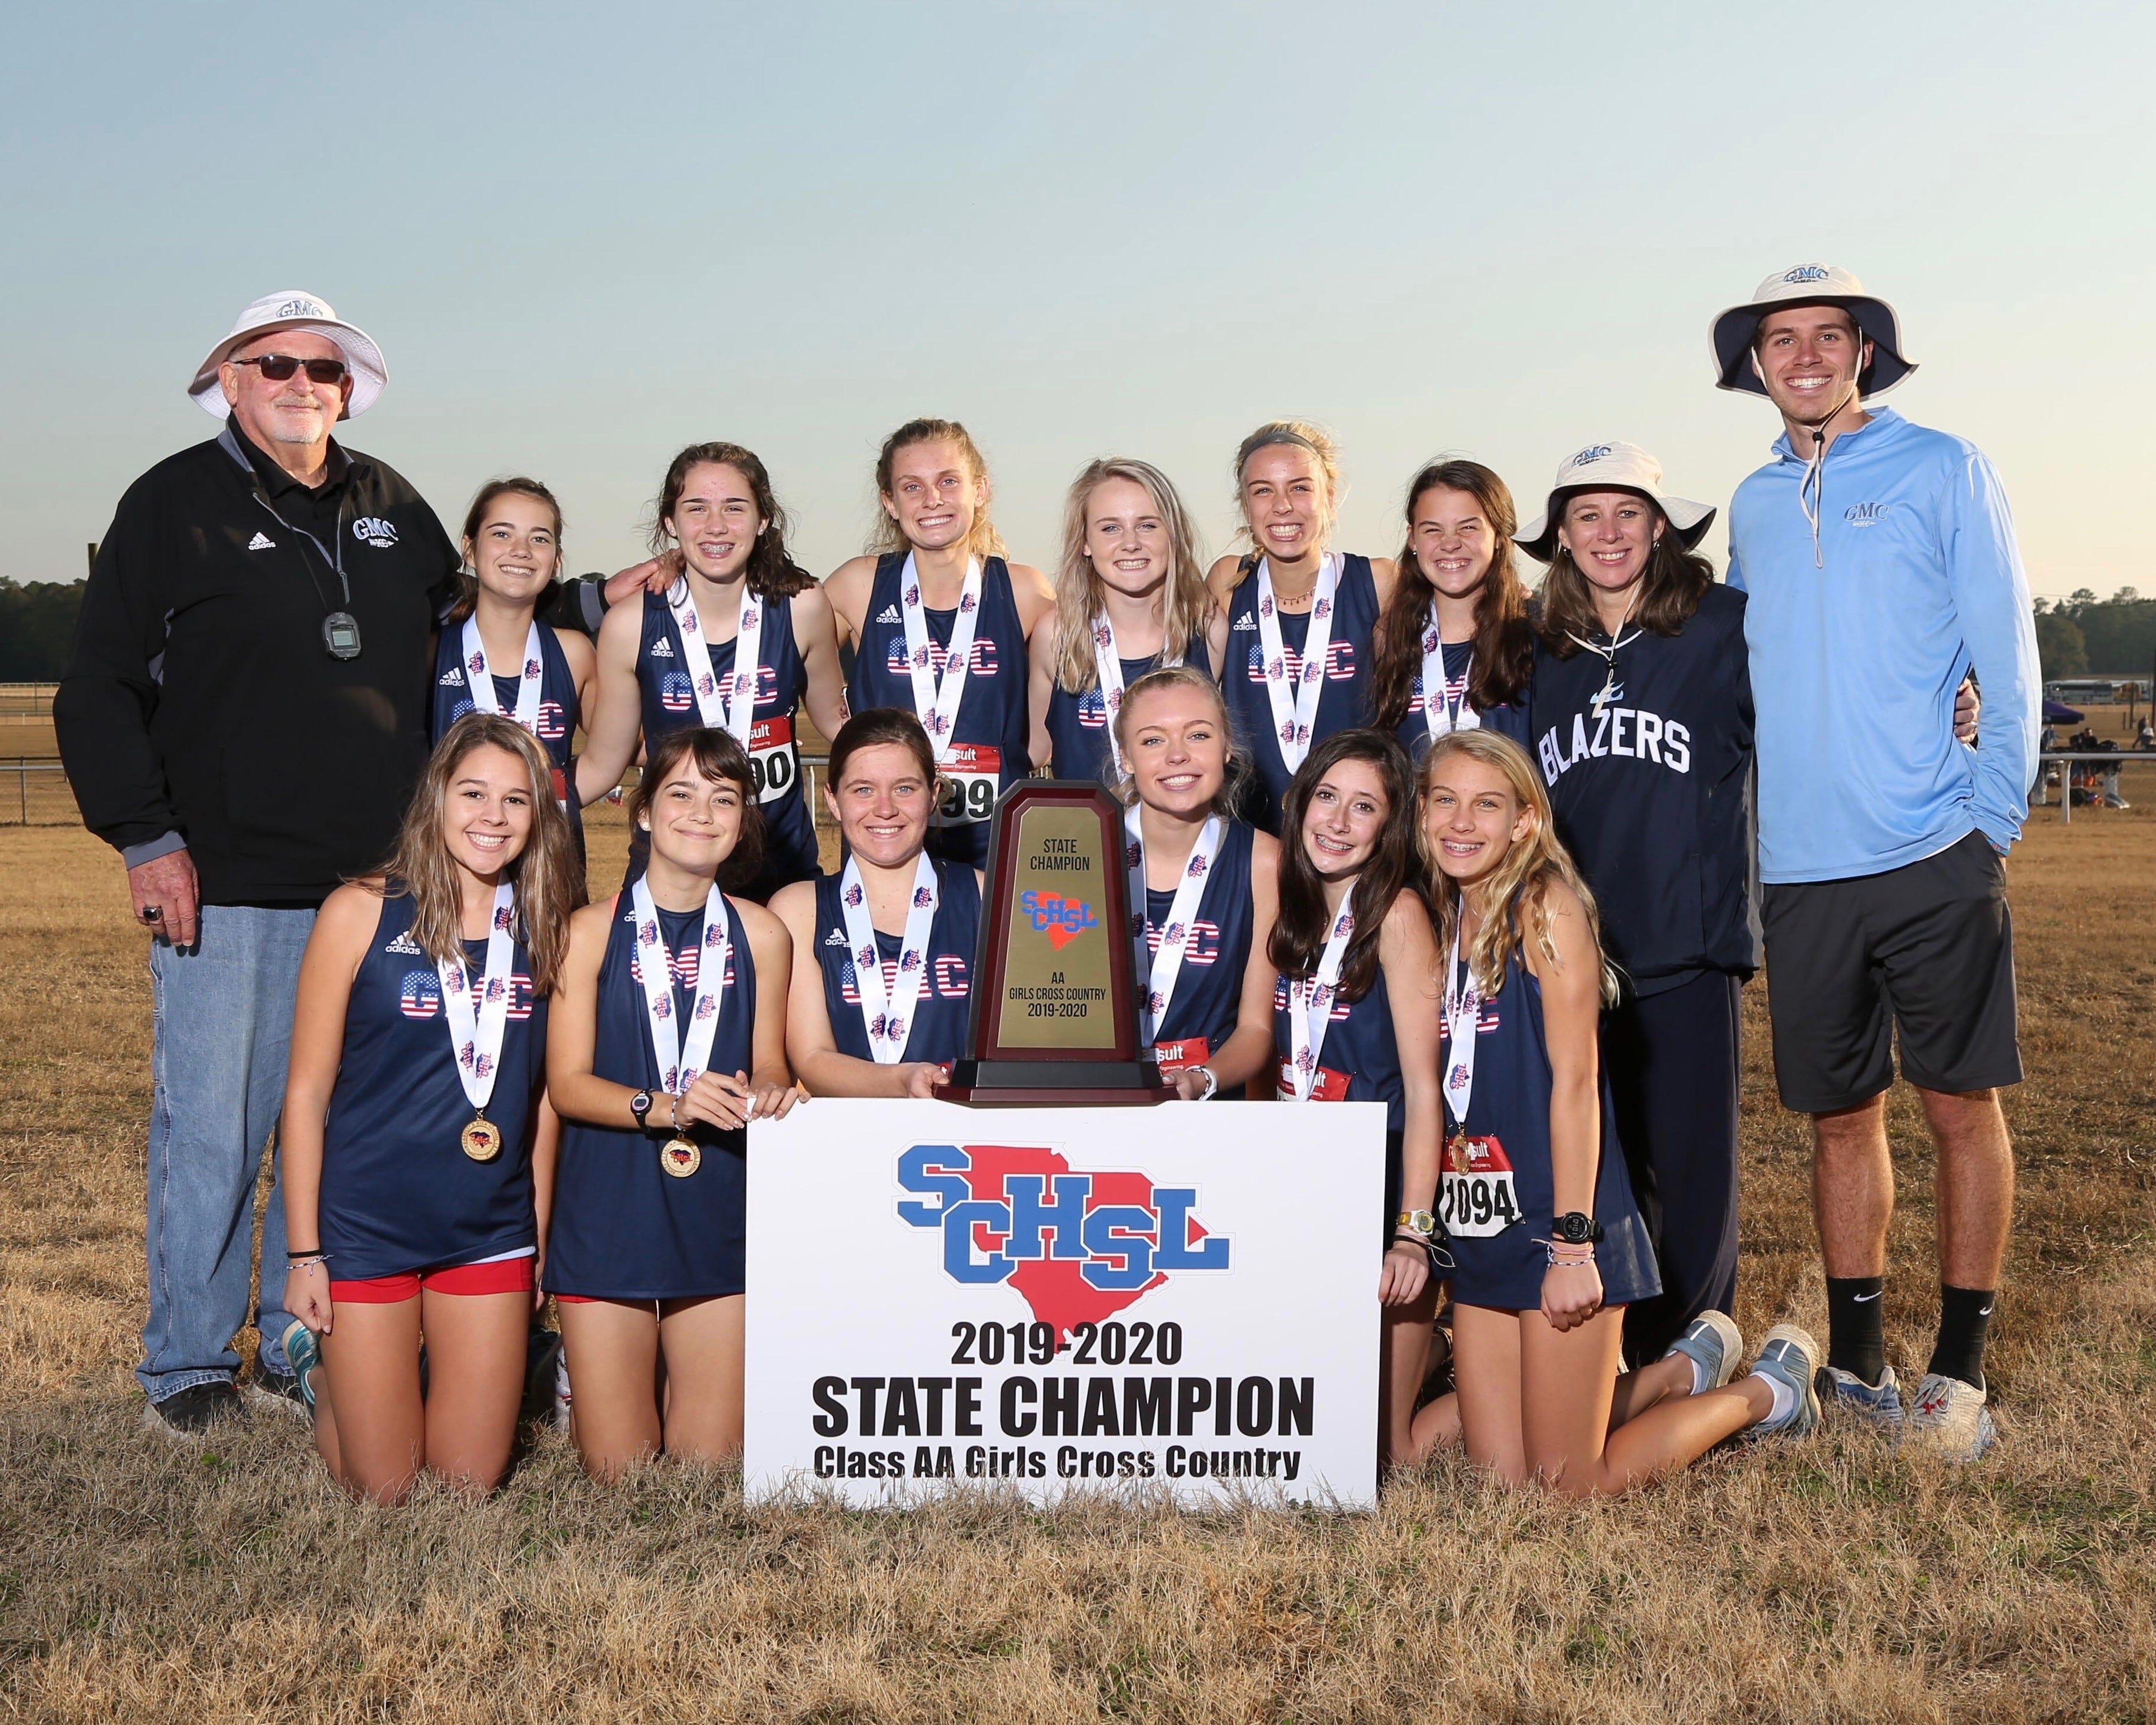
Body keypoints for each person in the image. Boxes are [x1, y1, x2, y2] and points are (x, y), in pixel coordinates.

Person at [55, 290, 462, 1433]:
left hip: (382, 890)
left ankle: (296, 1349)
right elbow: (98, 689)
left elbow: (476, 634)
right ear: (230, 379)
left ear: (350, 387)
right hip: (227, 883)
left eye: (322, 368)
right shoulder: (170, 503)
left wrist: (600, 600)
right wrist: (147, 834)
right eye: (272, 363)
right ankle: (186, 1364)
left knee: (339, 1128)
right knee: (219, 1128)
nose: (299, 383)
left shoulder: (394, 505)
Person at [1715, 264, 2041, 1458]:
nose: (1801, 356)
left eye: (1825, 336)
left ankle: (1957, 1370)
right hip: (1799, 871)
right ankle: (1855, 1364)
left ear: (1864, 350)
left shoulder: (1944, 467)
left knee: (1961, 1105)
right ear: (1754, 364)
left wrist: (1989, 821)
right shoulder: (1749, 501)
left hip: (1931, 850)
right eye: (1778, 339)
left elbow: (2004, 650)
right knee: (1838, 1119)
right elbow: (1739, 676)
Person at [1406, 730, 1820, 1491]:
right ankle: (1674, 1375)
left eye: (1485, 804)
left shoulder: (1546, 910)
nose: (1461, 822)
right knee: (1502, 1481)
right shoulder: (1440, 917)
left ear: (1524, 822)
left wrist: (1571, 1244)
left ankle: (1766, 1393)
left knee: (1568, 1483)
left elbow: (1574, 1083)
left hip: (1557, 1223)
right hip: (1479, 1224)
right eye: (1445, 801)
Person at [276, 714, 575, 1501]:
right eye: (473, 793)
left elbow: (543, 1098)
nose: (492, 817)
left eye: (515, 801)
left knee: (466, 1484)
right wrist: (305, 1253)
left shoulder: (546, 927)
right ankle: (329, 1376)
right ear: (435, 796)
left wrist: (535, 1231)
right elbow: (305, 1094)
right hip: (366, 1227)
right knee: (386, 1489)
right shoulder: (358, 910)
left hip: (486, 1227)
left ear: (536, 817)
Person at [1514, 442, 1748, 1366]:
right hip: (1575, 953)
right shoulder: (1543, 650)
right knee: (1602, 1157)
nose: (1606, 533)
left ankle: (1700, 1348)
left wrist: (1950, 703)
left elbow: (1821, 698)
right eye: (1586, 516)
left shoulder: (1720, 624)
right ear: (1562, 539)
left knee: (1692, 1166)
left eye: (1625, 513)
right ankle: (1624, 1345)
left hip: (1686, 940)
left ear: (1658, 526)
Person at [543, 727, 798, 1478]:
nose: (702, 812)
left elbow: (771, 1064)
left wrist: (775, 1092)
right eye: (680, 793)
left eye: (724, 798)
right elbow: (568, 1085)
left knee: (707, 1468)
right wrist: (671, 1106)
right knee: (619, 1474)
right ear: (645, 811)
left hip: (716, 1206)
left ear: (743, 819)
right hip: (609, 1205)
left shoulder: (764, 934)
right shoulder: (587, 932)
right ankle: (569, 1373)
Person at [1268, 728, 1440, 1465]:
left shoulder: (1397, 915)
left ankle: (1676, 1369)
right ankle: (1431, 1359)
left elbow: (1428, 1095)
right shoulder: (1292, 904)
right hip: (1304, 1172)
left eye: (1362, 807)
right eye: (1327, 797)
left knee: (1380, 1456)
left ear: (1390, 827)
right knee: (1311, 1419)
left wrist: (1412, 1233)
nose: (1336, 822)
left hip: (1382, 1175)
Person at [578, 443, 846, 900]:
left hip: (783, 878)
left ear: (763, 519)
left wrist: (909, 758)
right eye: (696, 508)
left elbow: (835, 721)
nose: (716, 526)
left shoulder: (802, 607)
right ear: (670, 521)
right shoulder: (630, 624)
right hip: (667, 879)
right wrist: (514, 804)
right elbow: (603, 764)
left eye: (734, 508)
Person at [828, 419, 1056, 866]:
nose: (932, 499)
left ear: (980, 489)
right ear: (889, 502)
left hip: (996, 843)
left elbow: (1065, 694)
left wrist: (1019, 755)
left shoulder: (1025, 591)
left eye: (948, 482)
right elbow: (769, 638)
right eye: (912, 487)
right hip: (886, 833)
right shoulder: (858, 584)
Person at [770, 709, 981, 1096]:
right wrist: (901, 1080)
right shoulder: (798, 910)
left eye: (904, 788)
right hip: (848, 1143)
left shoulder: (987, 896)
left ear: (933, 794)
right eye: (862, 790)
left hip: (965, 1139)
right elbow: (812, 1059)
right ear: (832, 800)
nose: (885, 808)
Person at [1209, 423, 1398, 832]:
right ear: (1245, 505)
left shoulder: (1378, 583)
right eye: (1262, 490)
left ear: (1328, 498)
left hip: (1351, 833)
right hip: (1252, 832)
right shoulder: (1228, 583)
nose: (1282, 506)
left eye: (1299, 488)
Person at [1112, 666, 1281, 1098]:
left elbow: (1256, 1028)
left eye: (1198, 735)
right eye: (1153, 740)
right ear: (1126, 758)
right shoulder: (1081, 852)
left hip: (1206, 1113)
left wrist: (1202, 1079)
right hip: (1098, 1103)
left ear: (1226, 747)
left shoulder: (1265, 861)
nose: (1177, 756)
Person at [432, 479, 596, 872]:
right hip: (449, 874)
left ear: (556, 560)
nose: (520, 551)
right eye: (502, 533)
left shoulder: (574, 652)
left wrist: (550, 797)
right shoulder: (432, 650)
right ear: (469, 548)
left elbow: (615, 756)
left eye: (539, 539)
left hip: (550, 871)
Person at [1032, 457, 1227, 788]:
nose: (1131, 542)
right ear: (1085, 542)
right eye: (1110, 528)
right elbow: (1034, 751)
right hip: (1084, 838)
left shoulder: (1209, 630)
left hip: (1181, 836)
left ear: (1173, 535)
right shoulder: (1056, 635)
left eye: (1148, 525)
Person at [1368, 459, 1533, 753]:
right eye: (1433, 530)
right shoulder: (1388, 640)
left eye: (1468, 528)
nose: (1450, 543)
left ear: (1498, 537)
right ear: (1412, 539)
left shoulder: (1534, 634)